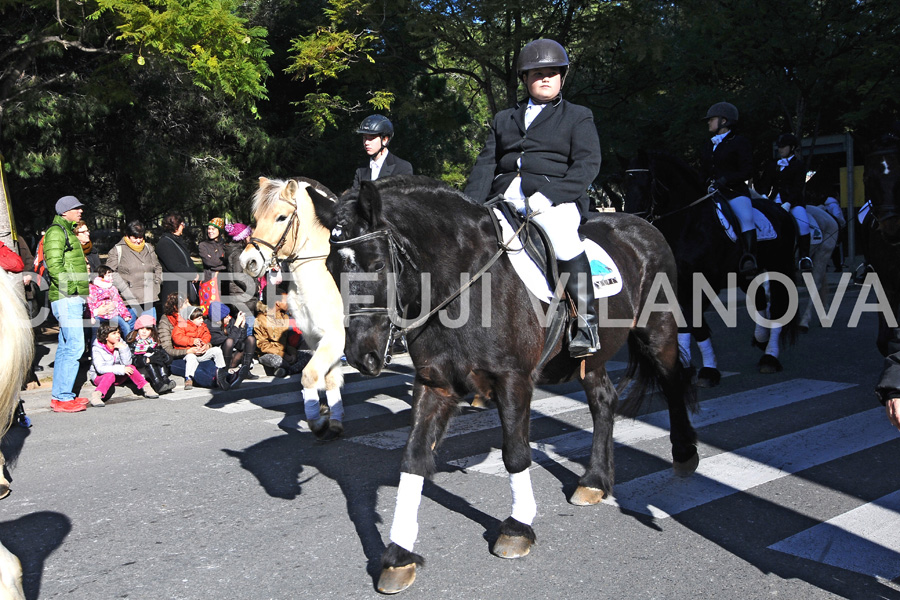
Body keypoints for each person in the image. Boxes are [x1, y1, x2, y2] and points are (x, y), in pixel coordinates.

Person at [464, 38, 602, 357]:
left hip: (555, 197)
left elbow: (587, 164)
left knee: (562, 235)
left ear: (562, 77)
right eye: (537, 72)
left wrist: (551, 195)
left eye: (552, 72)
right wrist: (469, 205)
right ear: (524, 79)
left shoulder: (577, 116)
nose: (545, 77)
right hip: (504, 196)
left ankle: (587, 322)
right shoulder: (503, 119)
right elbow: (485, 164)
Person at [700, 102, 757, 278]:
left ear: (724, 121)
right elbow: (704, 170)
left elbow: (747, 170)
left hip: (734, 192)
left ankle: (749, 258)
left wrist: (725, 180)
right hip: (711, 193)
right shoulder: (709, 145)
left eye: (712, 119)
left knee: (746, 218)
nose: (709, 123)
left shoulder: (739, 142)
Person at [45, 195, 91, 412]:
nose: (80, 211)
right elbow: (53, 265)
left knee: (65, 348)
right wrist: (71, 289)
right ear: (64, 211)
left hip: (70, 297)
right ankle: (63, 398)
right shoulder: (56, 231)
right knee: (75, 346)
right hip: (66, 297)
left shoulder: (65, 230)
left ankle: (62, 395)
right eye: (76, 208)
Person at [758, 133, 813, 272]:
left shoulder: (799, 165)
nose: (780, 149)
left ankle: (804, 257)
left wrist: (788, 203)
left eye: (783, 147)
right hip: (773, 202)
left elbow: (798, 187)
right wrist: (764, 196)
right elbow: (766, 183)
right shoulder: (773, 165)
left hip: (793, 203)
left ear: (792, 147)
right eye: (779, 147)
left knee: (803, 224)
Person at [86, 323, 159, 406]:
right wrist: (121, 369)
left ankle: (146, 388)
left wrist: (123, 349)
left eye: (118, 333)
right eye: (114, 333)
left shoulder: (121, 343)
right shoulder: (97, 348)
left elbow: (127, 363)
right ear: (105, 336)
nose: (117, 335)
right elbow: (100, 368)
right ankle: (96, 396)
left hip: (118, 375)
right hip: (100, 377)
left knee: (131, 367)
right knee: (109, 375)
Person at [158, 292, 219, 389]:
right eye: (186, 303)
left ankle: (229, 377)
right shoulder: (165, 321)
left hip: (197, 353)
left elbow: (205, 335)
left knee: (210, 365)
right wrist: (187, 351)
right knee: (197, 369)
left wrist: (207, 346)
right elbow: (167, 349)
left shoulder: (191, 317)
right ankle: (216, 382)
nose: (190, 305)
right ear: (176, 307)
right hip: (178, 358)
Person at [105, 220, 163, 321]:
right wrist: (123, 289)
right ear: (127, 235)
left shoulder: (148, 248)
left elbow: (157, 267)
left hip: (148, 298)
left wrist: (157, 282)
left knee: (149, 330)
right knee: (130, 332)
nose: (138, 240)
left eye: (141, 237)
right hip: (128, 300)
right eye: (135, 237)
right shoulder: (117, 250)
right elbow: (109, 273)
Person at [171, 303, 229, 390]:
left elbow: (207, 335)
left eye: (201, 317)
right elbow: (178, 338)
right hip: (188, 352)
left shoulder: (202, 326)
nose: (202, 320)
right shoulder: (180, 326)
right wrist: (193, 341)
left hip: (201, 352)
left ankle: (221, 371)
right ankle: (189, 378)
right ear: (190, 319)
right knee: (191, 357)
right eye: (199, 318)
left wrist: (204, 344)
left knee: (217, 350)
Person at [350, 115, 413, 190]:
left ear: (385, 140)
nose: (366, 142)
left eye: (371, 138)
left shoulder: (402, 167)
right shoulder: (361, 170)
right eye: (365, 137)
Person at [253, 296, 308, 377]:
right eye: (286, 301)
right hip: (268, 354)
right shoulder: (260, 319)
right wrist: (283, 355)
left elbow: (287, 342)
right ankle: (291, 369)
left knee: (308, 355)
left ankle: (288, 371)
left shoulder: (284, 317)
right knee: (278, 361)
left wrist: (293, 354)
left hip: (285, 352)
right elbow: (262, 345)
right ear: (277, 303)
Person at [206, 301, 257, 388]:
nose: (229, 318)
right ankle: (224, 374)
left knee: (250, 339)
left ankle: (245, 370)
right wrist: (236, 326)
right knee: (229, 342)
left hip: (233, 356)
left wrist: (242, 327)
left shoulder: (231, 322)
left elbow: (240, 342)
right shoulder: (209, 326)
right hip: (220, 360)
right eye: (226, 317)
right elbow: (230, 342)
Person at [156, 212, 199, 311]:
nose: (183, 227)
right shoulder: (165, 243)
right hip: (174, 288)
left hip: (184, 285)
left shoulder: (177, 240)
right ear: (176, 225)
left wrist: (194, 272)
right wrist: (191, 274)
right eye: (182, 224)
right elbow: (173, 265)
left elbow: (187, 260)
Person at [126, 314, 176, 394]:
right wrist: (146, 360)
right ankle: (158, 384)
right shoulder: (133, 342)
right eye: (141, 328)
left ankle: (165, 380)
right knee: (149, 359)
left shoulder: (153, 341)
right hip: (140, 369)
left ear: (152, 331)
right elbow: (132, 359)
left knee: (157, 357)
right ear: (137, 329)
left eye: (148, 329)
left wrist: (163, 356)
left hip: (155, 369)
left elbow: (167, 357)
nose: (144, 332)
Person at [87, 265, 134, 336]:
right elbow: (90, 303)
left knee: (126, 326)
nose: (111, 278)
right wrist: (92, 316)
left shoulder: (112, 288)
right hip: (99, 315)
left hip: (112, 314)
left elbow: (118, 302)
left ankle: (129, 343)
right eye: (108, 275)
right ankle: (94, 345)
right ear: (100, 276)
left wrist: (125, 314)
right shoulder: (92, 288)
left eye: (111, 276)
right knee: (95, 331)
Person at [199, 217, 228, 284]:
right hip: (209, 281)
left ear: (219, 231)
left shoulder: (225, 245)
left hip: (224, 282)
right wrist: (223, 263)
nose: (210, 231)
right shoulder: (203, 245)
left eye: (213, 229)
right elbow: (209, 262)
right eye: (209, 229)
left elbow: (229, 261)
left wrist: (216, 261)